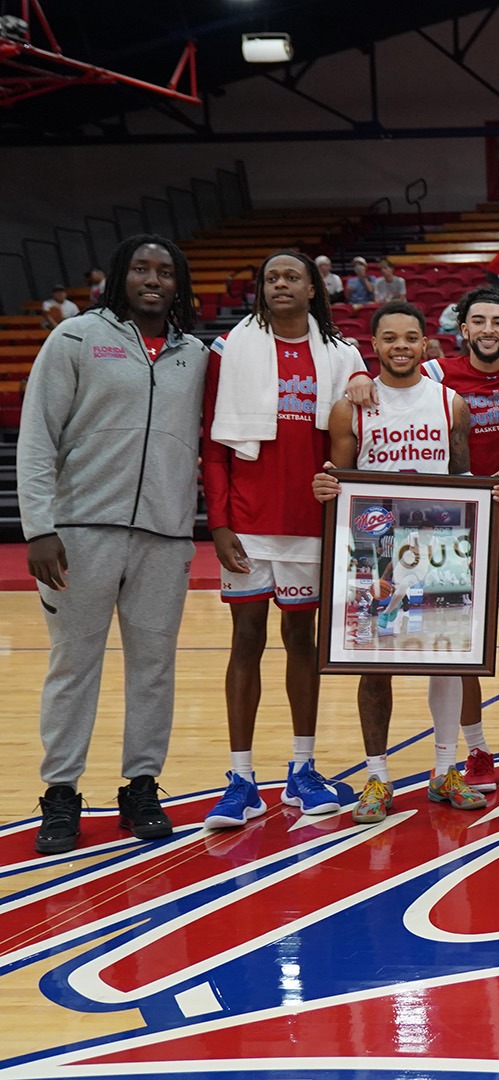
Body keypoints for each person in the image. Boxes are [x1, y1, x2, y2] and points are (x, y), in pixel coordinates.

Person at [22, 235, 208, 855]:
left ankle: (141, 786)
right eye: (140, 268)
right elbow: (38, 436)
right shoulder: (74, 338)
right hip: (78, 533)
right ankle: (60, 793)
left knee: (153, 669)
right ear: (119, 277)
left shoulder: (197, 355)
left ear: (180, 284)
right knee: (74, 667)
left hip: (166, 536)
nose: (152, 279)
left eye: (165, 271)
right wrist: (40, 527)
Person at [200, 250, 373, 828]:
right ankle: (241, 778)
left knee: (303, 639)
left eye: (290, 276)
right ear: (261, 288)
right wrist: (219, 523)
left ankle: (302, 769)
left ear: (312, 287)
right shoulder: (230, 350)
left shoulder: (344, 355)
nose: (280, 284)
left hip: (312, 523)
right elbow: (214, 444)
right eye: (270, 276)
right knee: (245, 638)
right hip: (247, 522)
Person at [310, 301, 482, 823]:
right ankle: (378, 778)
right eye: (390, 338)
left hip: (438, 546)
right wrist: (324, 488)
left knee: (446, 658)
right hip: (374, 549)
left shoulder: (451, 403)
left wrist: (485, 497)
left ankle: (446, 770)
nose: (401, 345)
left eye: (411, 336)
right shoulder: (349, 409)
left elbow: (461, 481)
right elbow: (339, 487)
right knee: (374, 665)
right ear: (375, 346)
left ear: (427, 344)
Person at [421, 286, 499, 793]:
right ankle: (474, 751)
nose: (488, 330)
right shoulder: (437, 375)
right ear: (463, 328)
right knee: (462, 646)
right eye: (479, 321)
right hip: (455, 532)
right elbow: (387, 385)